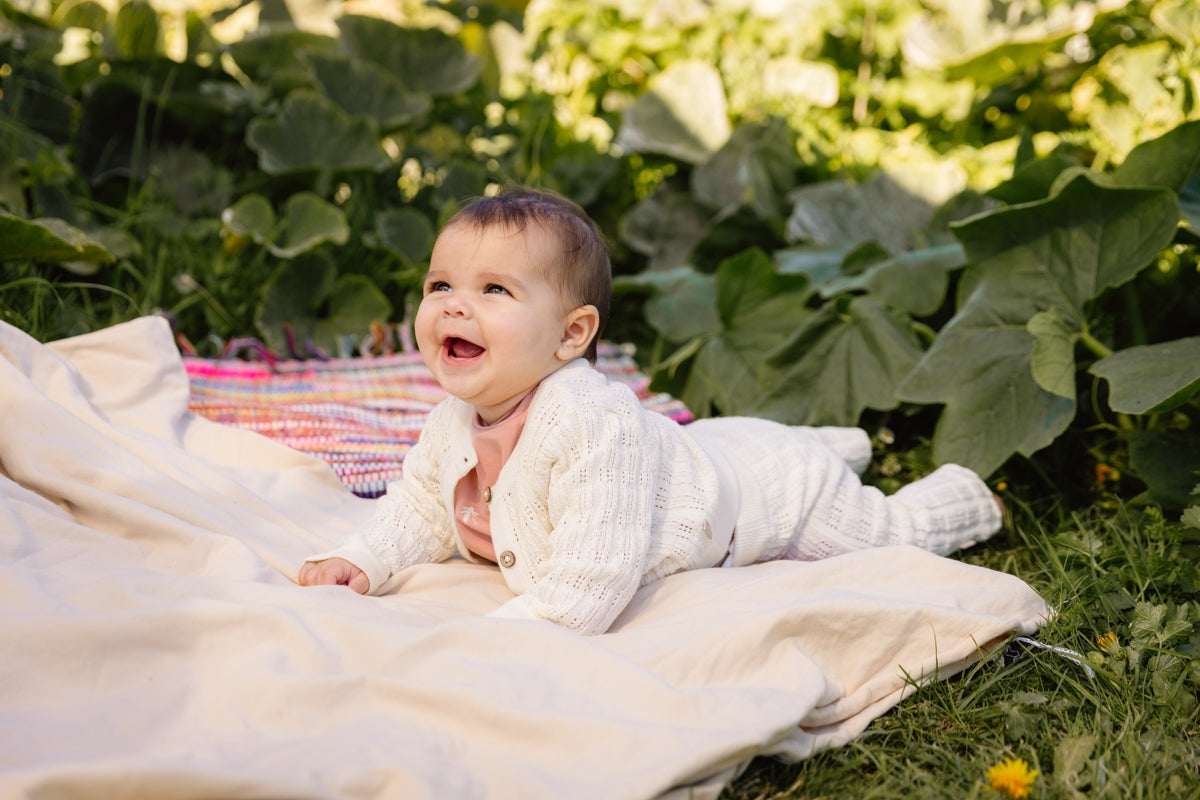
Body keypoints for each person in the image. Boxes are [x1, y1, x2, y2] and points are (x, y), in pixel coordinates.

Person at [298, 185, 1004, 635]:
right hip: (708, 448)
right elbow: (421, 508)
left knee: (877, 533)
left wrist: (513, 634)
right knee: (713, 445)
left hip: (767, 501)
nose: (454, 305)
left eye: (494, 290)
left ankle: (959, 495)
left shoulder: (592, 424)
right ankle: (832, 440)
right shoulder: (450, 422)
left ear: (571, 335)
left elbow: (594, 577)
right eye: (440, 285)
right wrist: (363, 559)